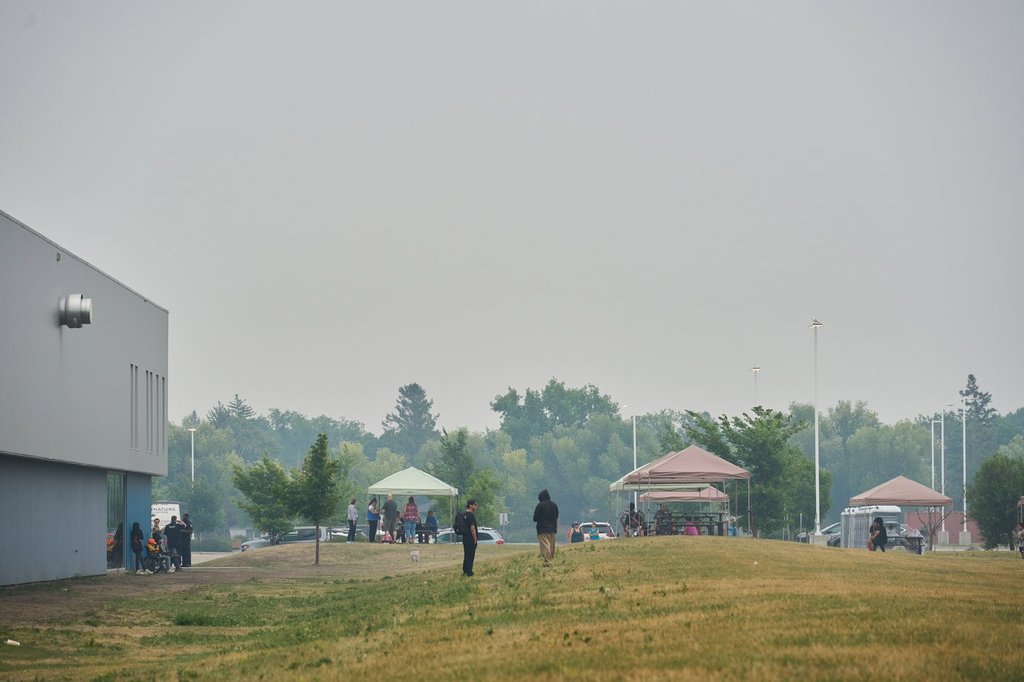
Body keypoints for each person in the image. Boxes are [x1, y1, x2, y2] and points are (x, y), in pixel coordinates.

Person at [533, 489, 559, 565]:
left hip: (542, 529)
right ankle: (551, 558)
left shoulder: (540, 505)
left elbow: (535, 518)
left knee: (545, 545)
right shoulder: (554, 505)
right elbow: (557, 516)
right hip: (553, 529)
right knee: (551, 545)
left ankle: (547, 561)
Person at [462, 499, 479, 577]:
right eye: (475, 505)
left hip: (465, 537)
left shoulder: (464, 514)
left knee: (466, 554)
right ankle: (469, 572)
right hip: (470, 538)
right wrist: (475, 538)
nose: (476, 506)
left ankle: (465, 570)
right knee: (470, 555)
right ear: (470, 505)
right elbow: (472, 527)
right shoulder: (470, 515)